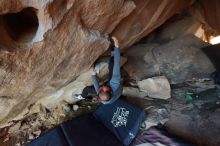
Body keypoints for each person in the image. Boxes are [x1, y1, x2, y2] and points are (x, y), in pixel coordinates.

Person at [73, 36, 121, 104]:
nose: (102, 86)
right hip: (116, 91)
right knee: (112, 66)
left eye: (101, 88)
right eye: (105, 87)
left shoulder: (101, 94)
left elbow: (96, 84)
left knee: (87, 89)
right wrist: (117, 47)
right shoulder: (115, 82)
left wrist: (93, 74)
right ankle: (113, 52)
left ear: (99, 92)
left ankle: (82, 96)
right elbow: (117, 64)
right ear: (109, 90)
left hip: (112, 94)